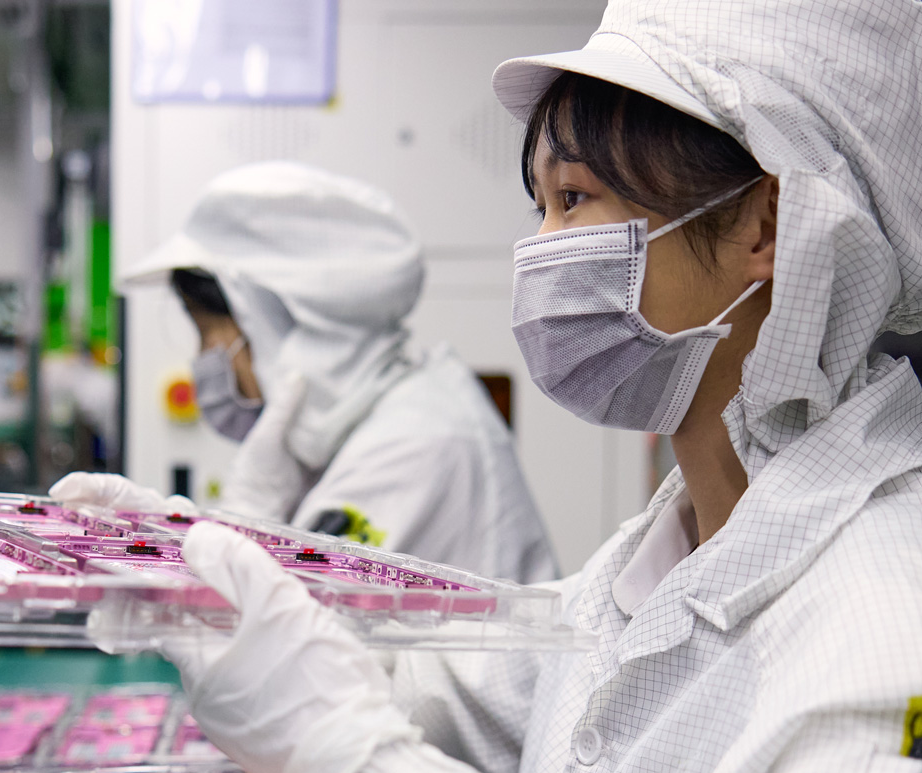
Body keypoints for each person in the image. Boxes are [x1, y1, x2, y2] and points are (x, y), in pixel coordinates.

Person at [147, 0, 922, 773]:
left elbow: (355, 728)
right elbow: (433, 689)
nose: (539, 249)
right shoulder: (648, 564)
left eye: (574, 197)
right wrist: (174, 561)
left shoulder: (884, 626)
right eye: (543, 206)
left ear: (764, 226)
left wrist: (344, 754)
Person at [53, 162, 556, 583]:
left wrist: (247, 516)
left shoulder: (414, 446)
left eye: (208, 334)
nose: (203, 360)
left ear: (268, 323)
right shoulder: (371, 425)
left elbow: (284, 635)